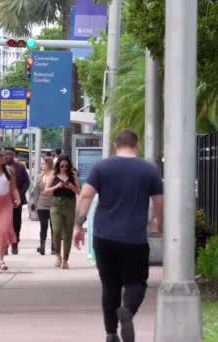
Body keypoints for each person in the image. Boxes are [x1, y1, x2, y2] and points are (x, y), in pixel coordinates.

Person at [73, 129, 164, 342]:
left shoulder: (102, 167)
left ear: (116, 145)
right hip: (134, 238)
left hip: (104, 237)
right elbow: (159, 200)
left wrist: (79, 224)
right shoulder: (148, 170)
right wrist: (159, 223)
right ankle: (128, 310)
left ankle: (111, 333)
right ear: (137, 145)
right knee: (137, 282)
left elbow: (86, 195)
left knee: (110, 285)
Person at [44, 156, 81, 269]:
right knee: (56, 230)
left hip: (69, 204)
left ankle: (65, 259)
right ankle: (58, 255)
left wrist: (71, 187)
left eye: (66, 166)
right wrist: (56, 186)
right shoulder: (53, 175)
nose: (64, 168)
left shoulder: (73, 175)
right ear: (58, 166)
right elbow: (46, 191)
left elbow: (79, 192)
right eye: (62, 166)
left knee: (68, 233)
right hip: (56, 204)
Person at [3, 147, 30, 255]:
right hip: (3, 201)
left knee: (16, 223)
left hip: (16, 201)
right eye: (6, 154)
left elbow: (27, 182)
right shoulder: (0, 167)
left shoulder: (20, 167)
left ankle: (15, 244)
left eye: (10, 154)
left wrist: (20, 193)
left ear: (14, 156)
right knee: (4, 224)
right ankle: (4, 246)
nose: (8, 156)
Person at [30, 157, 55, 255]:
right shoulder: (39, 176)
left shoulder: (55, 176)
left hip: (53, 204)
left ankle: (54, 247)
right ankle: (42, 246)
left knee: (54, 228)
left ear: (49, 164)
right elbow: (36, 191)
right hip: (41, 204)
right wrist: (34, 203)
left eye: (43, 164)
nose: (42, 166)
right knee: (43, 226)